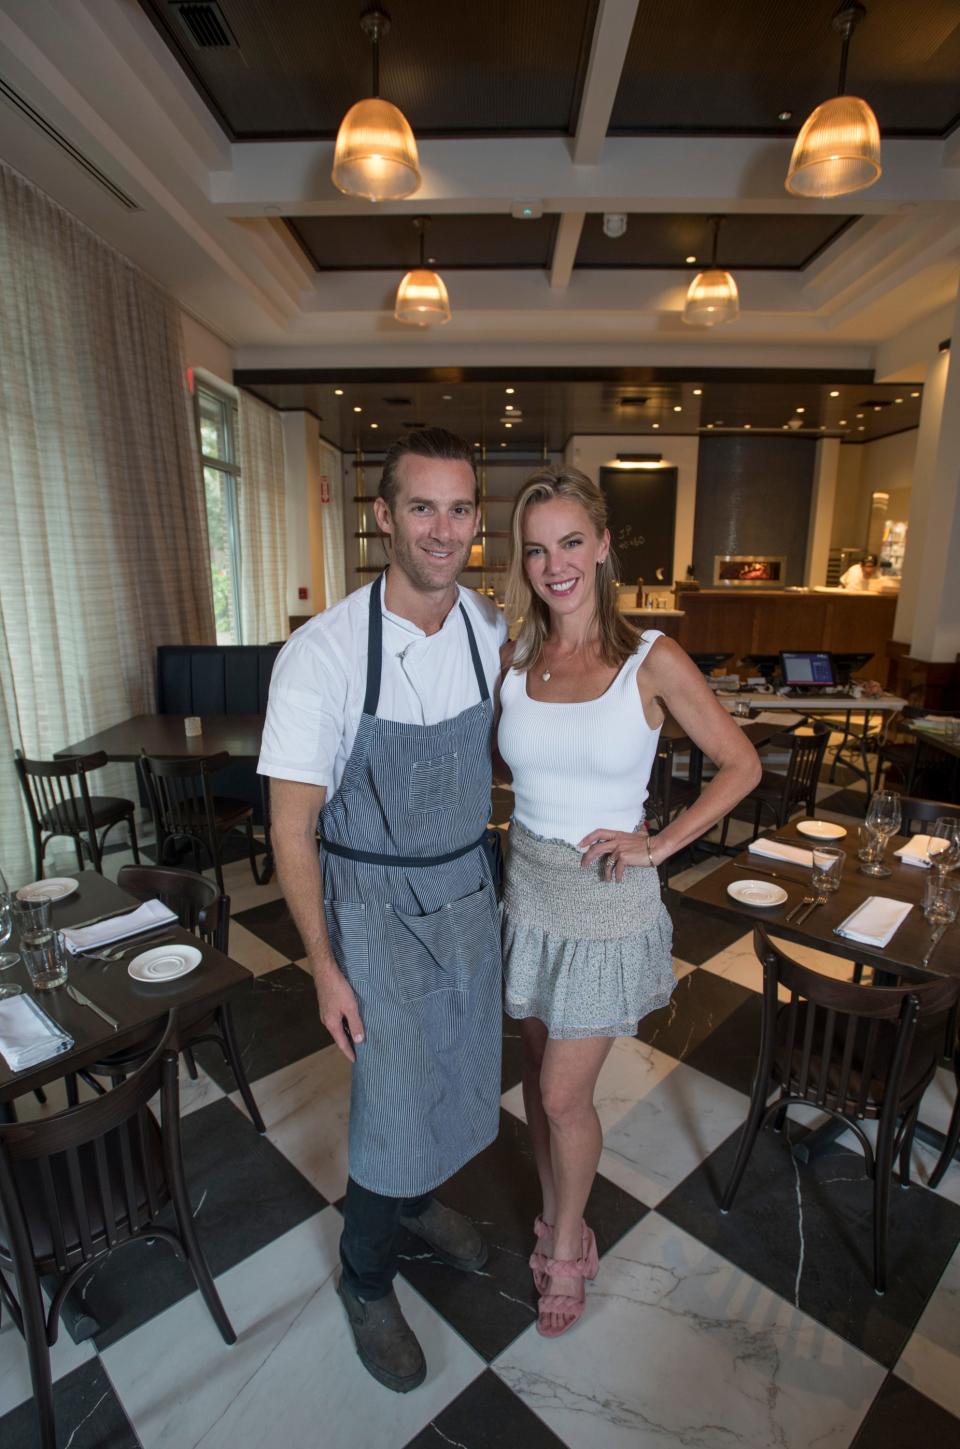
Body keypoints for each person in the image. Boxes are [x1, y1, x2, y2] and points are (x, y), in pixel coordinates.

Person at [259, 428, 506, 1393]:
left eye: (458, 509)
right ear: (383, 516)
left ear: (478, 521)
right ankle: (366, 1278)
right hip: (372, 903)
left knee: (453, 1069)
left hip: (466, 891)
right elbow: (291, 830)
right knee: (392, 1096)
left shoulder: (488, 630)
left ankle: (414, 1203)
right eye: (421, 508)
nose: (441, 530)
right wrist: (324, 963)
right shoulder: (321, 655)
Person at [496, 465, 761, 1338]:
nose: (555, 564)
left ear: (604, 545)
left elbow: (741, 765)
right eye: (538, 549)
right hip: (528, 889)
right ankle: (552, 1205)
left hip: (607, 898)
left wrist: (656, 843)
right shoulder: (515, 654)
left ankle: (568, 1241)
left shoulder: (652, 659)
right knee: (538, 1085)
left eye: (572, 541)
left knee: (566, 1096)